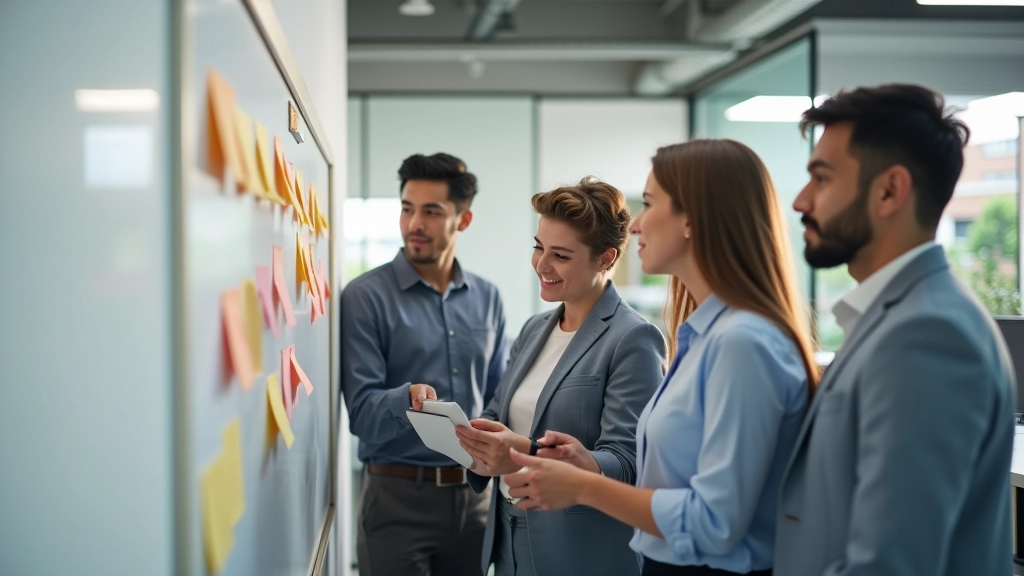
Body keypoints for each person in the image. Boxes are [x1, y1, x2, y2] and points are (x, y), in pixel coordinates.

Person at [503, 140, 817, 576]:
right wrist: (581, 465)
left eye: (649, 204)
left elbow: (715, 522)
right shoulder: (701, 335)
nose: (636, 226)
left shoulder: (741, 343)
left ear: (693, 220)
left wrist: (584, 485)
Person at [773, 84, 1015, 575]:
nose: (801, 201)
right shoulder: (896, 315)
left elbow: (889, 564)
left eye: (821, 179)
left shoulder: (926, 334)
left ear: (889, 191)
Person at [432, 178, 665, 576]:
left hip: (580, 550)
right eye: (539, 247)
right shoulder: (534, 329)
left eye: (560, 254)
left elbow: (628, 462)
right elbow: (498, 410)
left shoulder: (633, 338)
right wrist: (474, 439)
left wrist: (522, 451)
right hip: (507, 535)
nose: (542, 264)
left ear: (605, 259)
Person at [340, 152, 509, 576]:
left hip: (475, 500)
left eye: (431, 212)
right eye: (407, 208)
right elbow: (361, 414)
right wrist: (406, 399)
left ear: (463, 220)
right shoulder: (365, 297)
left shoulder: (488, 298)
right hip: (397, 501)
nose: (415, 223)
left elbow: (496, 396)